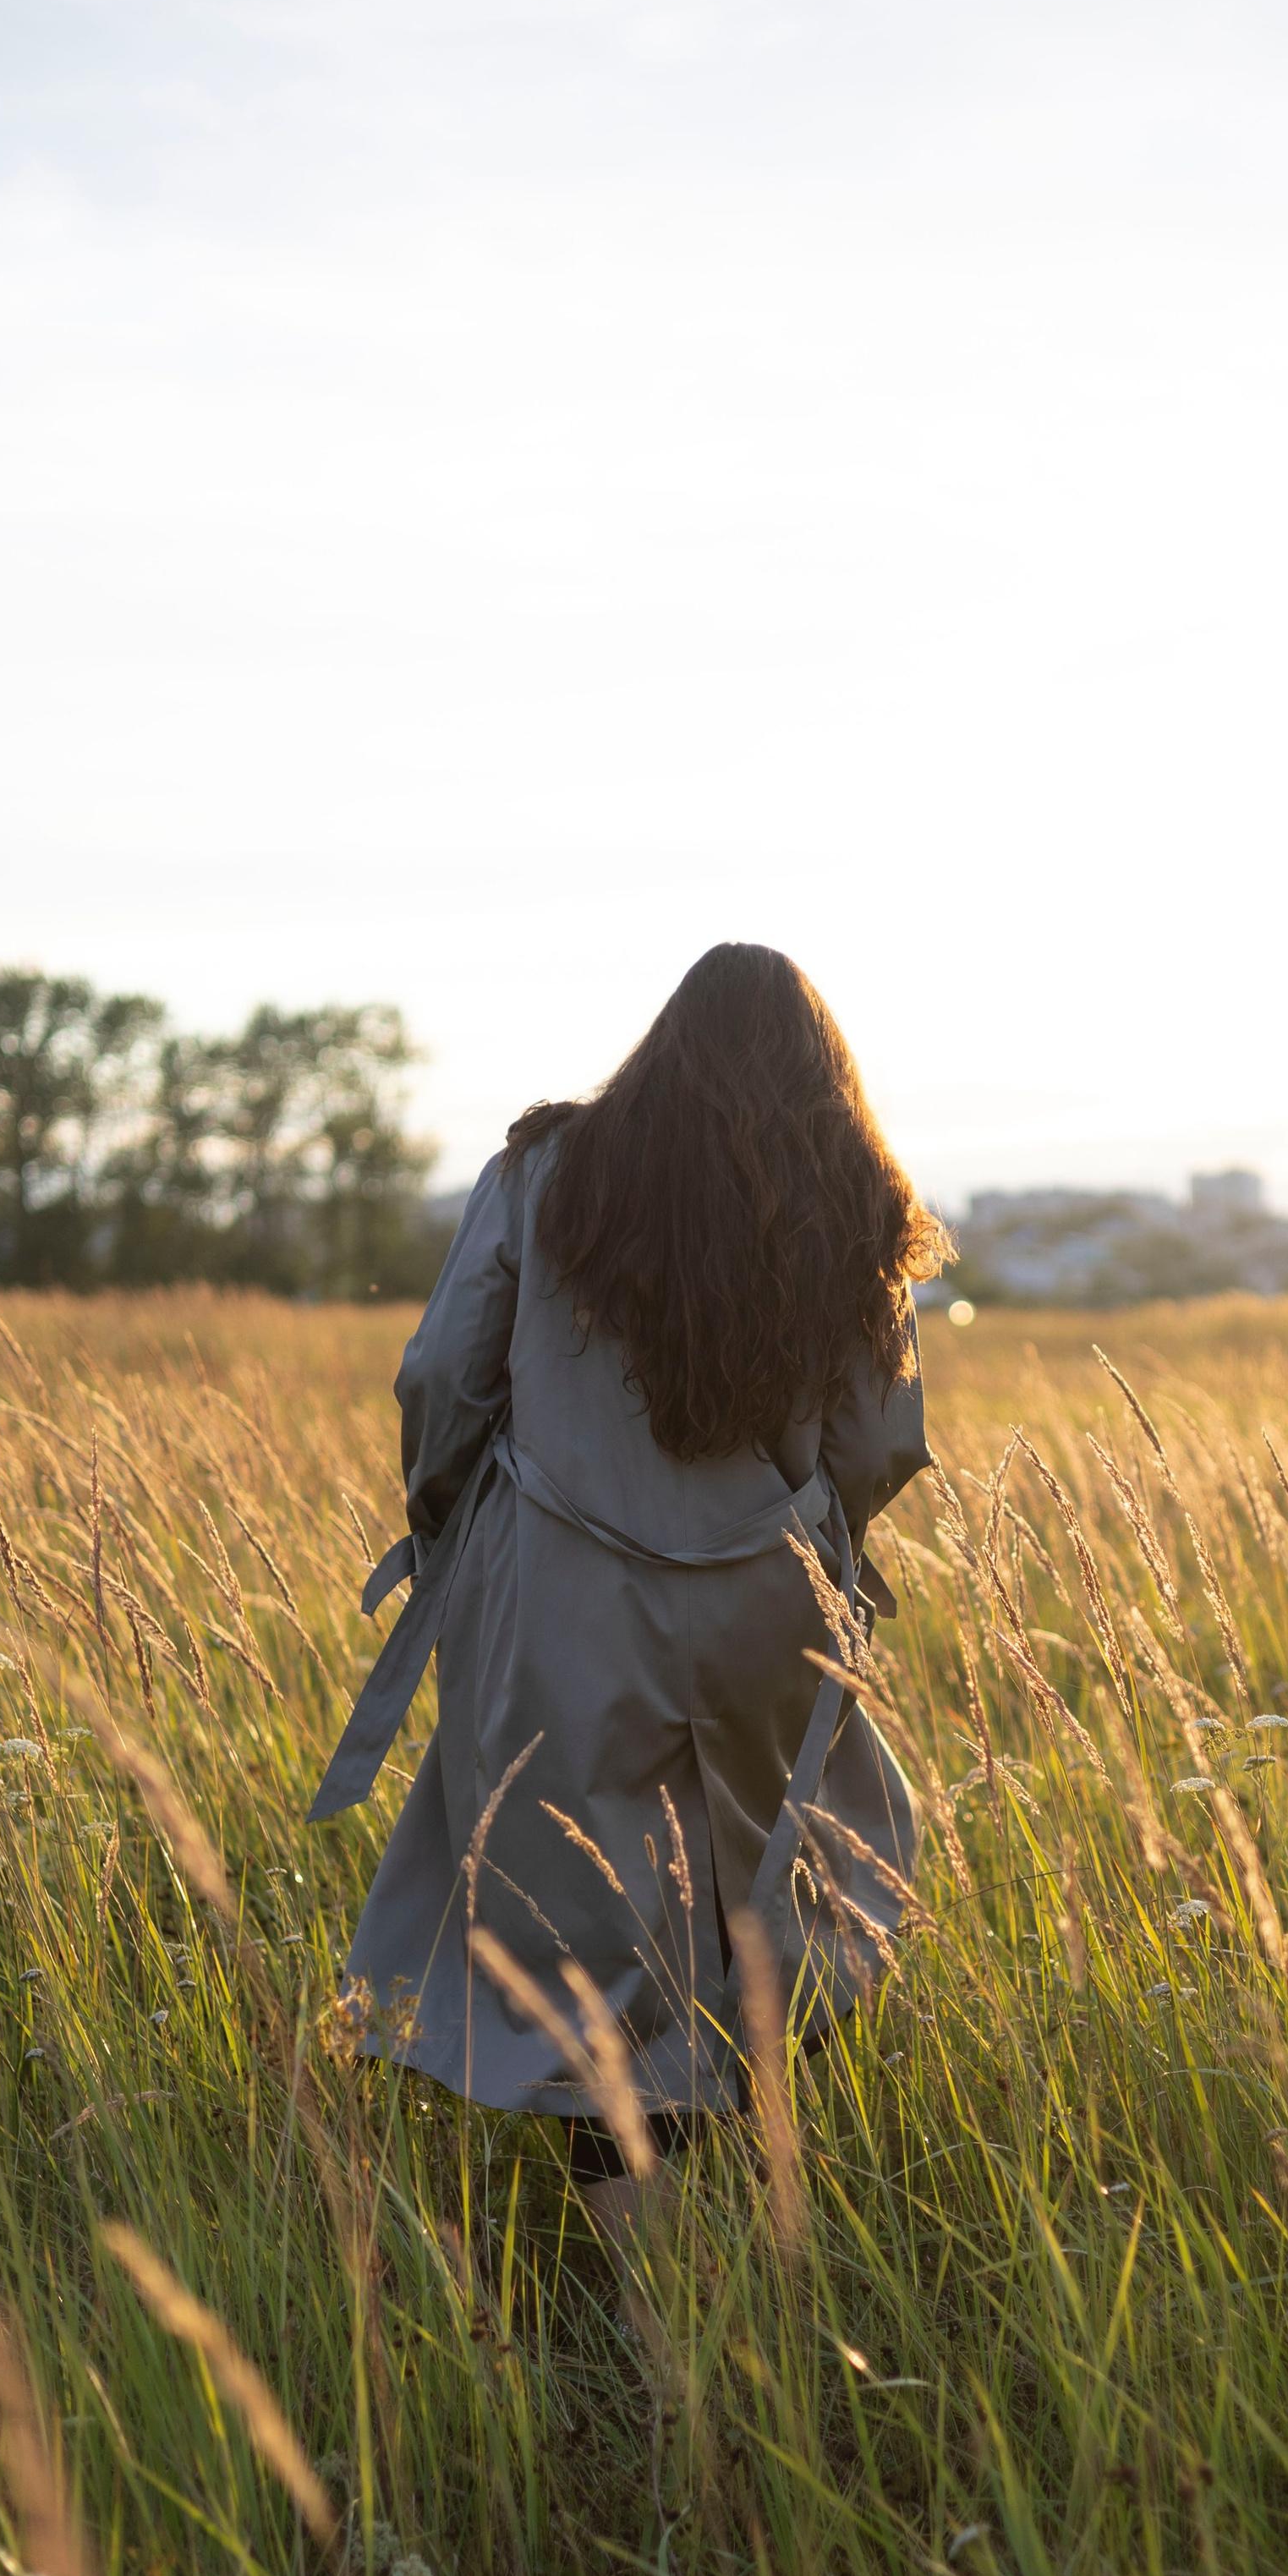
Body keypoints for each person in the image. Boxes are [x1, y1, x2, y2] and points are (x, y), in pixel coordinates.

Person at [309, 943, 948, 2245]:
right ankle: (698, 2217)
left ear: (662, 1043)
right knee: (765, 1891)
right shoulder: (856, 1202)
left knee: (582, 1909)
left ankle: (640, 2243)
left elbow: (441, 1379)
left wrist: (455, 1528)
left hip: (556, 1595)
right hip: (771, 1606)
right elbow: (879, 1445)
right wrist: (820, 1549)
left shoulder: (546, 1172)